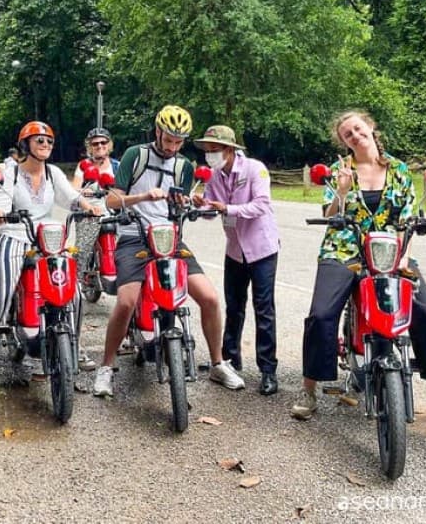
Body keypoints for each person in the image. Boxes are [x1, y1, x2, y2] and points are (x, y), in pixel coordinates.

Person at [290, 110, 426, 432]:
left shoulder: (398, 170)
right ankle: (309, 389)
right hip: (345, 249)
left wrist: (405, 258)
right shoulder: (342, 170)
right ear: (343, 142)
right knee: (321, 315)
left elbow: (409, 219)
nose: (354, 136)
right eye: (347, 135)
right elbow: (328, 213)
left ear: (370, 127)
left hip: (391, 253)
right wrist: (340, 191)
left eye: (357, 129)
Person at [92, 105, 244, 397]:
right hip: (133, 236)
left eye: (179, 141)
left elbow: (177, 205)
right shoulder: (135, 155)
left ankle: (217, 362)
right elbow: (113, 201)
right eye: (169, 139)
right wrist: (143, 196)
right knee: (125, 302)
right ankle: (106, 367)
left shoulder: (184, 167)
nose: (173, 146)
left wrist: (190, 203)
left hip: (169, 238)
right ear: (158, 131)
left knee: (210, 297)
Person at [0, 121, 95, 390]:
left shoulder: (53, 172)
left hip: (49, 240)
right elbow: (0, 197)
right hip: (14, 236)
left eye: (49, 141)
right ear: (26, 145)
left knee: (76, 295)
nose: (45, 145)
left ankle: (72, 346)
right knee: (0, 299)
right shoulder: (9, 172)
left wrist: (89, 206)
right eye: (39, 141)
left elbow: (70, 197)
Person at [192, 125, 281, 396]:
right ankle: (229, 359)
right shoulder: (215, 177)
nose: (210, 156)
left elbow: (262, 205)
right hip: (235, 250)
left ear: (229, 150)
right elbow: (212, 211)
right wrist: (201, 205)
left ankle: (268, 370)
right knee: (234, 306)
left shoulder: (255, 169)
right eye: (207, 151)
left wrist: (226, 208)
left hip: (261, 248)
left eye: (214, 150)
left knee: (263, 308)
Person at [70, 127, 121, 370]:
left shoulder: (119, 166)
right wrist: (86, 192)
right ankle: (76, 288)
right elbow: (75, 189)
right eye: (95, 144)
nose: (99, 147)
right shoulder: (83, 166)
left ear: (110, 145)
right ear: (89, 146)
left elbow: (127, 192)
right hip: (91, 213)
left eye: (103, 143)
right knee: (77, 263)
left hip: (115, 217)